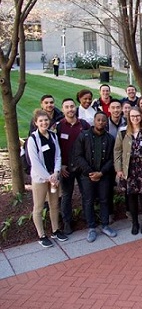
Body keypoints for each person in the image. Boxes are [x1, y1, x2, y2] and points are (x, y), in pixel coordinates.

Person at [72, 112, 118, 243]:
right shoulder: (84, 136)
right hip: (87, 176)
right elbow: (78, 156)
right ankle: (91, 227)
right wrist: (90, 172)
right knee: (88, 201)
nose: (101, 122)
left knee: (104, 200)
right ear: (94, 121)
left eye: (104, 120)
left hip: (104, 175)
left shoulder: (109, 138)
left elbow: (111, 158)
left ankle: (105, 225)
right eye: (98, 120)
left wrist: (101, 173)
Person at [114, 107, 142, 235]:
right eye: (132, 116)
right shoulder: (122, 132)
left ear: (141, 116)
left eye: (137, 116)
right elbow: (117, 151)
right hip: (129, 168)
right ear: (128, 117)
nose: (135, 118)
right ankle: (134, 222)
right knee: (131, 196)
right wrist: (119, 169)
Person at [28, 110, 66, 247]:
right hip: (41, 180)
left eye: (46, 120)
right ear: (36, 123)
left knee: (54, 204)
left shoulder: (53, 136)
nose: (44, 123)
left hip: (53, 178)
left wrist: (56, 173)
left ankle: (55, 230)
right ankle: (41, 235)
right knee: (38, 207)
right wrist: (48, 177)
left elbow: (58, 155)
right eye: (41, 121)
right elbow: (35, 162)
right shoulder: (32, 140)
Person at [56, 98, 90, 235]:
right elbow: (56, 148)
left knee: (86, 195)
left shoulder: (84, 125)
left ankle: (88, 219)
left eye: (72, 106)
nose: (70, 109)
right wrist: (61, 165)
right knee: (66, 195)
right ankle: (67, 222)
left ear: (75, 108)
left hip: (82, 167)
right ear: (63, 109)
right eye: (67, 107)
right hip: (66, 169)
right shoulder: (58, 127)